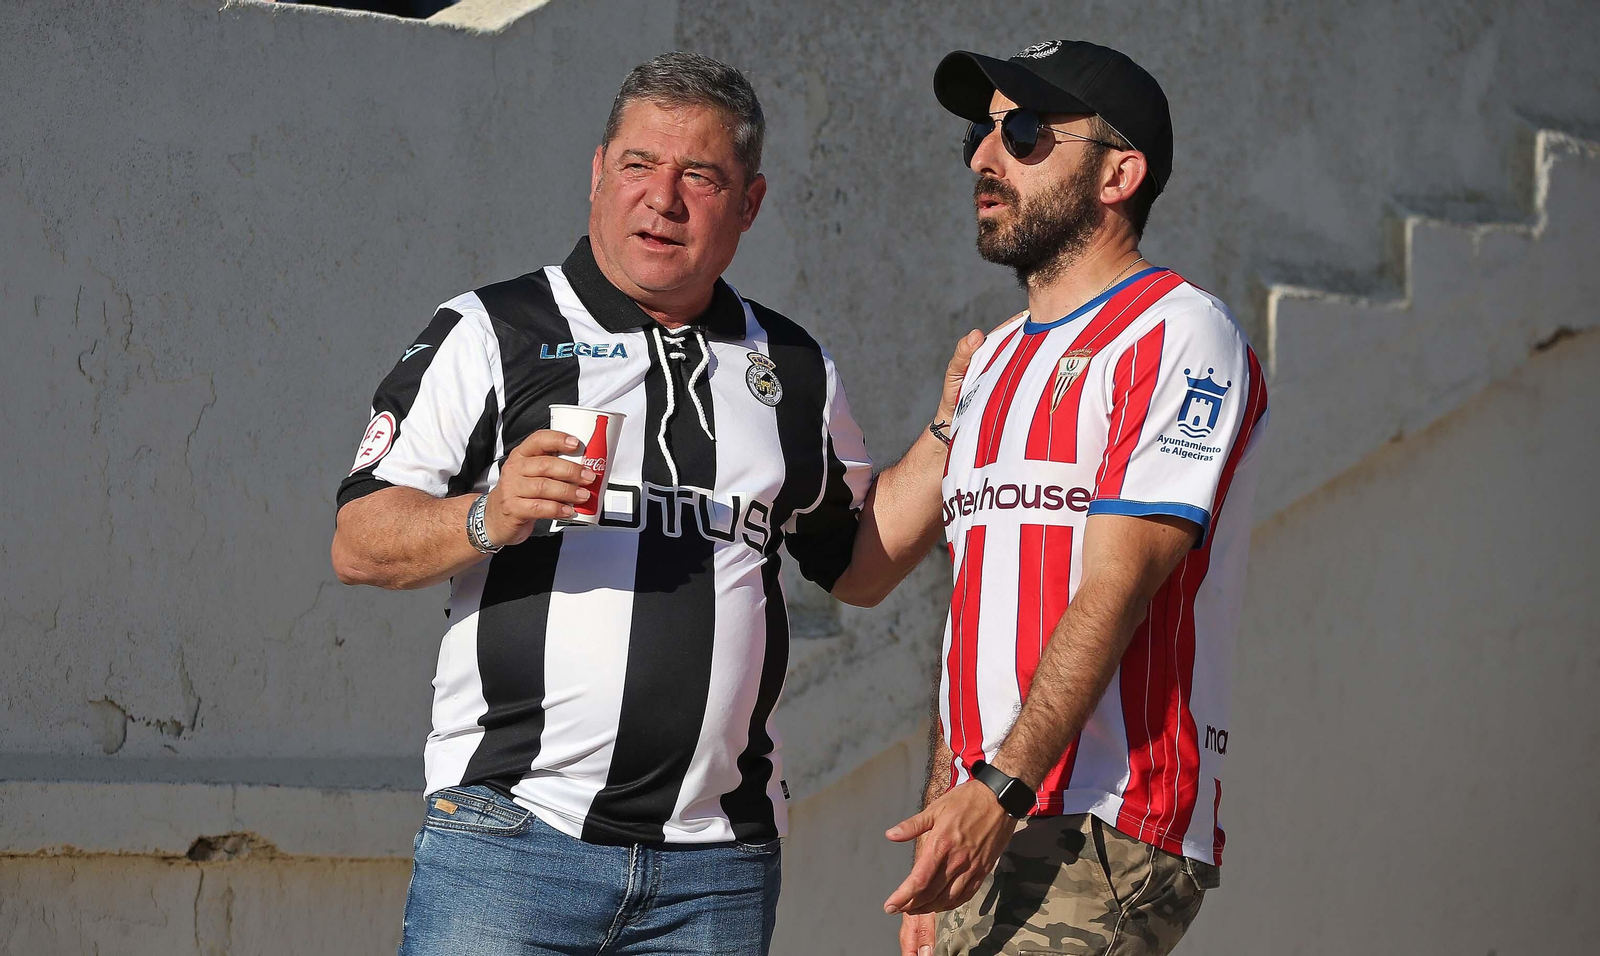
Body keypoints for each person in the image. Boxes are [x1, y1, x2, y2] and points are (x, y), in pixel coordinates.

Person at [330, 52, 975, 955]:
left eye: (699, 176)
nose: (662, 199)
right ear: (598, 174)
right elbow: (359, 539)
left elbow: (859, 568)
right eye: (638, 165)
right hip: (513, 846)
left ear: (749, 203)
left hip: (716, 872)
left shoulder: (790, 367)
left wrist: (954, 427)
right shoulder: (494, 330)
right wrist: (491, 513)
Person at [883, 40, 1270, 956]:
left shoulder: (1181, 331)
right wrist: (950, 816)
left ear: (1118, 173)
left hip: (1106, 818)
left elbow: (1117, 586)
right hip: (988, 817)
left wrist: (1001, 790)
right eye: (981, 131)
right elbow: (973, 619)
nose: (984, 155)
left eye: (1023, 131)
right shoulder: (993, 360)